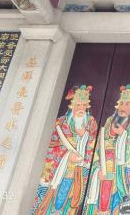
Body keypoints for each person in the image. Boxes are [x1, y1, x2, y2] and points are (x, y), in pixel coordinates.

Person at [34, 85, 98, 215]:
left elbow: (94, 147)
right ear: (72, 105)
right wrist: (67, 155)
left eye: (83, 105)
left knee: (72, 201)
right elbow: (50, 144)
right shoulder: (61, 122)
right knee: (53, 199)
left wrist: (85, 137)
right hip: (59, 168)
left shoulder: (91, 123)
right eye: (78, 105)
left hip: (79, 171)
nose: (81, 108)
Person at [84, 85, 130, 215]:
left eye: (127, 104)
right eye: (121, 103)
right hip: (105, 170)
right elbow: (99, 146)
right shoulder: (110, 120)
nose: (123, 107)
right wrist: (97, 168)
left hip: (123, 173)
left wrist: (124, 134)